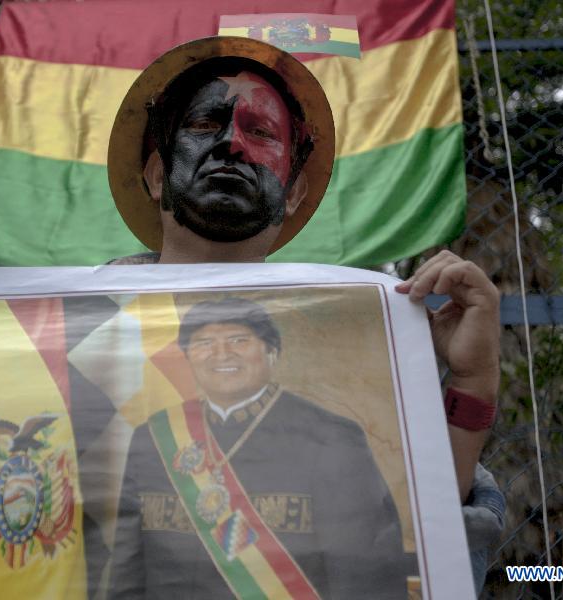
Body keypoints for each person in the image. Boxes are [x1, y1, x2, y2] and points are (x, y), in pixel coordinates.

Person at [104, 36, 504, 595]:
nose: (232, 145)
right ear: (154, 174)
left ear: (294, 191)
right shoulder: (71, 334)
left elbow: (413, 537)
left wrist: (473, 381)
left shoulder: (366, 347)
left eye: (260, 132)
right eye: (204, 125)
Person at [109, 298, 407, 598]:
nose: (221, 354)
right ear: (188, 357)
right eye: (204, 342)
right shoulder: (153, 436)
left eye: (239, 340)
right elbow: (126, 563)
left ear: (271, 351)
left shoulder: (332, 437)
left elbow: (364, 571)